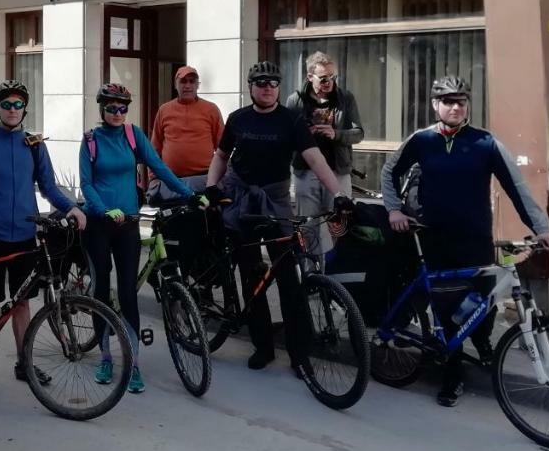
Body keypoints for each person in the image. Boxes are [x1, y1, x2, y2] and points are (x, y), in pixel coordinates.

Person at [382, 75, 549, 407]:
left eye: (460, 101)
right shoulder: (421, 140)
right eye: (448, 101)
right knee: (447, 311)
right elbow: (389, 171)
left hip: (475, 236)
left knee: (482, 303)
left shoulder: (485, 142)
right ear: (436, 105)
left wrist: (541, 228)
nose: (455, 107)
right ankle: (452, 376)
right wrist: (393, 209)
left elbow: (517, 188)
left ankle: (484, 348)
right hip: (435, 236)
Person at [207, 60, 352, 372]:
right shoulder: (237, 119)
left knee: (289, 279)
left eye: (273, 83)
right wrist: (210, 188)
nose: (268, 88)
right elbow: (220, 157)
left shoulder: (292, 120)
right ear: (251, 87)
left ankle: (300, 356)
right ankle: (263, 347)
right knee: (252, 276)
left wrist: (339, 193)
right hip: (242, 200)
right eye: (261, 83)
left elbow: (314, 158)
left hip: (275, 201)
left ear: (278, 88)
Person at [0, 80, 87, 391]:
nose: (12, 109)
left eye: (18, 104)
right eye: (6, 104)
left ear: (25, 108)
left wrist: (72, 209)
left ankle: (24, 362)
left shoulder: (34, 145)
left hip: (25, 236)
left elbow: (50, 187)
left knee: (22, 303)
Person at [81, 83, 197, 394]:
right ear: (102, 108)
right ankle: (105, 357)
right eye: (112, 108)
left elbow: (159, 167)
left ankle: (132, 362)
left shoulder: (133, 136)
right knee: (102, 291)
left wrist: (190, 195)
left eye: (123, 108)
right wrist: (105, 210)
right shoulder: (91, 141)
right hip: (100, 224)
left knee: (129, 295)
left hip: (129, 224)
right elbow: (86, 185)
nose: (118, 114)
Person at [283, 52, 364, 254]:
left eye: (333, 77)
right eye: (324, 78)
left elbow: (358, 133)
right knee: (308, 226)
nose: (329, 82)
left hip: (337, 170)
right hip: (306, 171)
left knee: (339, 225)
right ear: (310, 77)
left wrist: (335, 133)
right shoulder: (295, 100)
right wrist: (303, 135)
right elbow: (285, 137)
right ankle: (312, 274)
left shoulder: (345, 98)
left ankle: (337, 277)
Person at [148, 65, 224, 201]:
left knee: (204, 220)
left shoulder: (211, 109)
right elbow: (154, 148)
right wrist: (153, 178)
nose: (187, 85)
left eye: (192, 81)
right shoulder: (164, 110)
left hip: (203, 179)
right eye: (183, 81)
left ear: (198, 85)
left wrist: (219, 178)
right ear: (175, 85)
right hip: (170, 180)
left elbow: (222, 148)